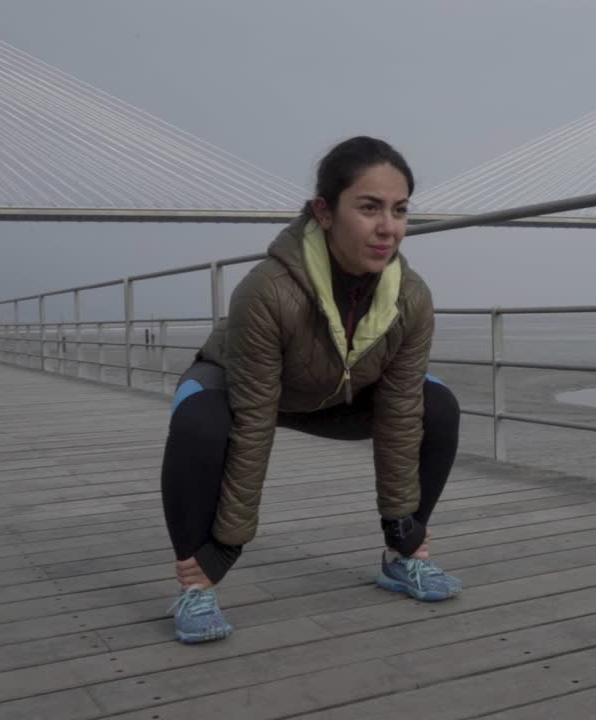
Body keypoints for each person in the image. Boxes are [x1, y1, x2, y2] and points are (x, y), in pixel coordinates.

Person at [159, 136, 463, 644]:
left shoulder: (412, 297)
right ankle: (195, 586)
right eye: (369, 208)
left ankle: (401, 561)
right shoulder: (266, 289)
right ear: (324, 211)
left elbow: (400, 412)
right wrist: (225, 548)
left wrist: (402, 528)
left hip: (333, 398)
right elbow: (254, 422)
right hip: (241, 389)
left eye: (400, 210)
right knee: (199, 424)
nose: (388, 228)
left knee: (437, 406)